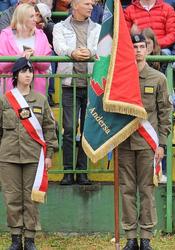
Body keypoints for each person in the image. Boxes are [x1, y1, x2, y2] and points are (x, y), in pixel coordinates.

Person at [119, 34, 172, 250]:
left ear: (148, 49)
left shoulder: (158, 78)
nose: (138, 50)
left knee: (147, 190)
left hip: (147, 144)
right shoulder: (120, 78)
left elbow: (165, 113)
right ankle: (131, 236)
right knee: (126, 189)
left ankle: (147, 236)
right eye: (134, 46)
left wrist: (162, 143)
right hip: (124, 142)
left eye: (142, 46)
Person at [0, 57, 57, 250]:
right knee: (12, 197)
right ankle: (16, 238)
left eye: (30, 71)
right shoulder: (6, 99)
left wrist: (49, 154)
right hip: (8, 157)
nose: (28, 75)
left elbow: (50, 128)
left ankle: (30, 238)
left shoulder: (40, 99)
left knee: (31, 198)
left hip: (34, 157)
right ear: (15, 75)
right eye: (24, 71)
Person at [53, 0, 101, 185]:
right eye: (87, 3)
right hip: (69, 84)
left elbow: (102, 48)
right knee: (70, 128)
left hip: (91, 84)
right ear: (75, 5)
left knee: (87, 129)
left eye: (92, 4)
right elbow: (59, 47)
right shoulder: (59, 27)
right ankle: (68, 171)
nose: (91, 6)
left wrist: (89, 51)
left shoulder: (98, 28)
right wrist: (72, 53)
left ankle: (82, 171)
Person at [0, 3, 52, 95]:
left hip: (37, 90)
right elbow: (2, 65)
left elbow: (46, 64)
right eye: (31, 16)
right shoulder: (5, 35)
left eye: (35, 16)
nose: (35, 19)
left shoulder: (41, 35)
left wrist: (34, 58)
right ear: (22, 18)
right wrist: (20, 58)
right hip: (11, 90)